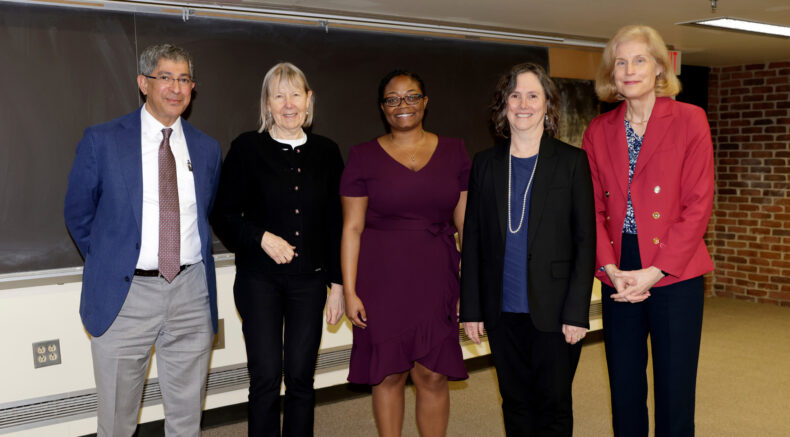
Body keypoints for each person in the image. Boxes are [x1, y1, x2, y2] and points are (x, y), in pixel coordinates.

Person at [64, 44, 222, 436]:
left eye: (184, 79)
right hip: (126, 295)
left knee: (186, 418)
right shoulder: (103, 141)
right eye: (165, 77)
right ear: (143, 83)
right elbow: (78, 213)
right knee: (117, 420)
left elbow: (204, 213)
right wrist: (111, 260)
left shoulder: (206, 148)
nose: (176, 87)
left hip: (190, 291)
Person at [582, 25, 715, 437]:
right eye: (620, 62)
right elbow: (591, 209)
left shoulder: (690, 119)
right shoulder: (597, 130)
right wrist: (609, 267)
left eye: (639, 60)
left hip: (675, 269)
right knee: (624, 385)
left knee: (675, 388)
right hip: (619, 268)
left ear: (659, 67)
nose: (628, 69)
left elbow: (698, 205)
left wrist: (655, 272)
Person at [460, 62, 595, 436]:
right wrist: (470, 308)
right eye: (514, 95)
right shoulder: (485, 164)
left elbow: (586, 242)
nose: (523, 104)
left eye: (532, 95)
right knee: (515, 404)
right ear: (503, 105)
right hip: (502, 310)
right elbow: (471, 239)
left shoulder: (571, 162)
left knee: (553, 406)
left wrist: (577, 312)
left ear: (548, 105)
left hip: (555, 311)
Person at [210, 62, 344, 437]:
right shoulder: (247, 148)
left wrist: (338, 285)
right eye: (279, 95)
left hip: (310, 283)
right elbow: (223, 214)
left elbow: (338, 222)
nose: (288, 104)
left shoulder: (328, 152)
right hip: (259, 282)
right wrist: (261, 237)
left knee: (301, 378)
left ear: (309, 100)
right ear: (267, 104)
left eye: (296, 94)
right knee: (266, 378)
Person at [340, 69, 469, 437]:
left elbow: (468, 228)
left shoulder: (455, 151)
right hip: (381, 278)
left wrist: (469, 285)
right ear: (383, 108)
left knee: (432, 373)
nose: (403, 105)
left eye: (412, 96)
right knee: (388, 373)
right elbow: (351, 228)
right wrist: (350, 292)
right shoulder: (362, 156)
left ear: (425, 102)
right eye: (393, 99)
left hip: (437, 274)